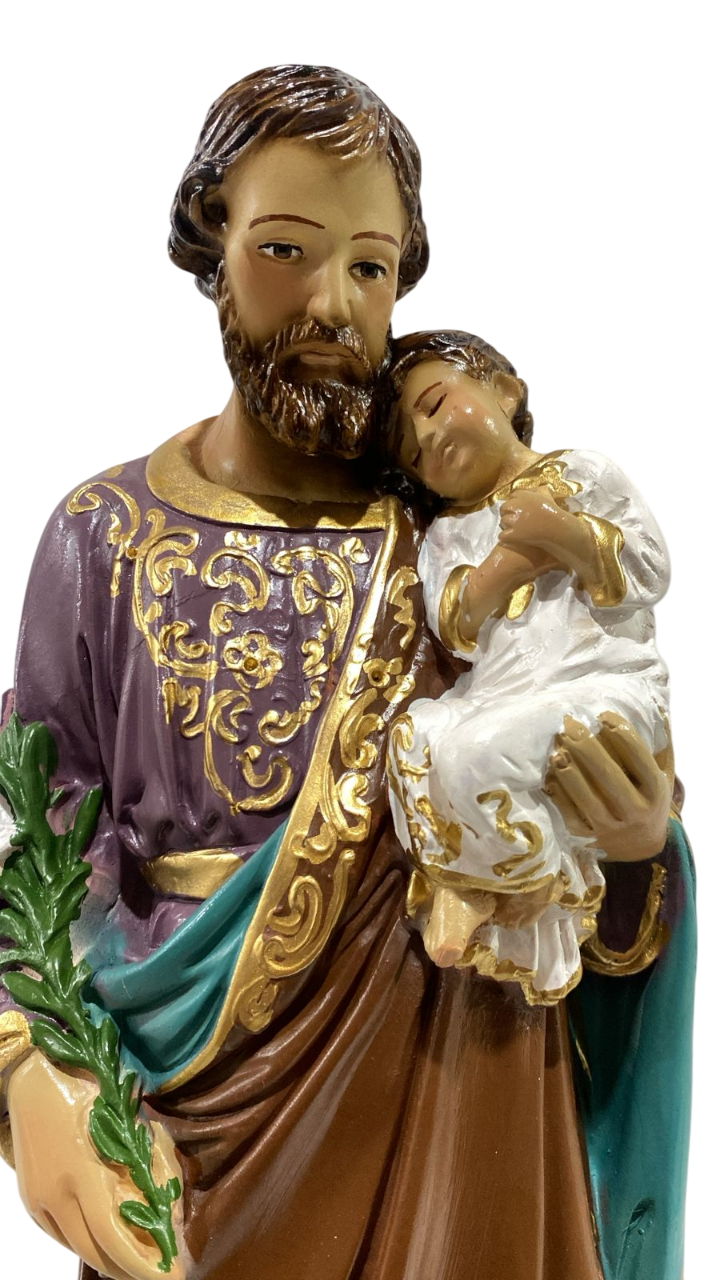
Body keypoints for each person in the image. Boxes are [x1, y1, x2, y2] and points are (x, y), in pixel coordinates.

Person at [0, 66, 694, 1280]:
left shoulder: (458, 539)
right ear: (211, 249)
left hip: (468, 1099)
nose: (331, 302)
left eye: (370, 267)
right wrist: (29, 1071)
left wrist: (638, 852)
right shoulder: (104, 538)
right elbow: (48, 864)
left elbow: (595, 846)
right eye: (285, 248)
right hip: (187, 1134)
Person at [384, 330, 671, 1003]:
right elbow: (454, 624)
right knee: (417, 737)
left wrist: (566, 535)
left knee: (480, 751)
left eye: (434, 404)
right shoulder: (447, 532)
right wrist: (511, 562)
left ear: (506, 392)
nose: (427, 438)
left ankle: (529, 880)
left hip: (599, 686)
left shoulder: (582, 474)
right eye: (411, 454)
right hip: (505, 692)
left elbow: (649, 568)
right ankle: (479, 874)